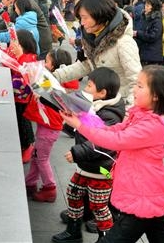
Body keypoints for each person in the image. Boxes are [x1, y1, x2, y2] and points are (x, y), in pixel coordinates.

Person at [60, 65, 164, 243]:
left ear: (156, 95)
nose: (134, 89)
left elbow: (116, 140)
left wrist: (79, 125)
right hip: (142, 191)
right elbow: (113, 129)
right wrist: (81, 119)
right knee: (161, 235)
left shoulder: (152, 126)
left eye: (140, 86)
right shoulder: (141, 115)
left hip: (142, 194)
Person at [52, 67, 125, 243]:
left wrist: (77, 152)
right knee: (73, 193)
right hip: (85, 166)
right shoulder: (93, 105)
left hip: (102, 170)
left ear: (102, 93)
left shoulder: (110, 116)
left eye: (89, 86)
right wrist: (70, 120)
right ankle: (73, 230)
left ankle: (106, 238)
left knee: (99, 205)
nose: (85, 89)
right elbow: (81, 128)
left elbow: (100, 142)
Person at [53, 0, 141, 107]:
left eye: (85, 18)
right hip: (100, 102)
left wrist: (128, 113)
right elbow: (88, 65)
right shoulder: (93, 38)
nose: (82, 23)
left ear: (99, 15)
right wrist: (55, 76)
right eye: (80, 18)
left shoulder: (123, 43)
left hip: (119, 106)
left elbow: (137, 82)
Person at [23, 52, 72, 203]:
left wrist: (35, 85)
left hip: (49, 129)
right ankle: (30, 183)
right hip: (47, 127)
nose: (44, 64)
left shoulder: (51, 85)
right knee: (37, 156)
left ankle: (49, 188)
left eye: (47, 62)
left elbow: (38, 90)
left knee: (41, 158)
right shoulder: (51, 83)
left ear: (55, 66)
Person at [9, 30, 39, 163]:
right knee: (22, 121)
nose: (11, 47)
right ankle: (25, 144)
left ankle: (28, 145)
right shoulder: (24, 57)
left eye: (14, 44)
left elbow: (22, 82)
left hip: (23, 98)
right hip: (22, 97)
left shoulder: (27, 61)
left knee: (23, 122)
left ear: (21, 44)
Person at [134, 0, 163, 66]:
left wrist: (137, 33)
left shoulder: (156, 20)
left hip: (152, 54)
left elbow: (153, 36)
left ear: (154, 7)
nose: (145, 7)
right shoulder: (145, 18)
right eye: (145, 5)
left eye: (148, 5)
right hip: (144, 52)